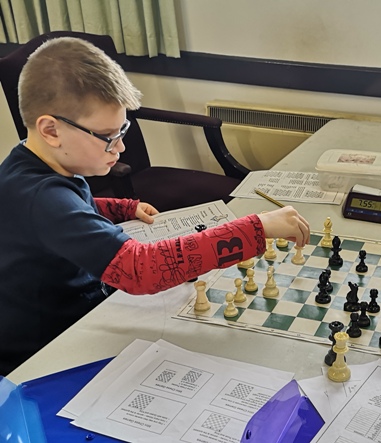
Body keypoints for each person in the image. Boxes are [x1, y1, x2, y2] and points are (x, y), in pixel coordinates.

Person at [0, 37, 310, 376]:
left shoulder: (31, 164)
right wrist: (256, 228)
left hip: (81, 314)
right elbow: (140, 270)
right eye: (108, 136)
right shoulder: (42, 197)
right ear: (51, 130)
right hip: (45, 354)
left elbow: (70, 209)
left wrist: (118, 208)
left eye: (123, 130)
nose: (120, 147)